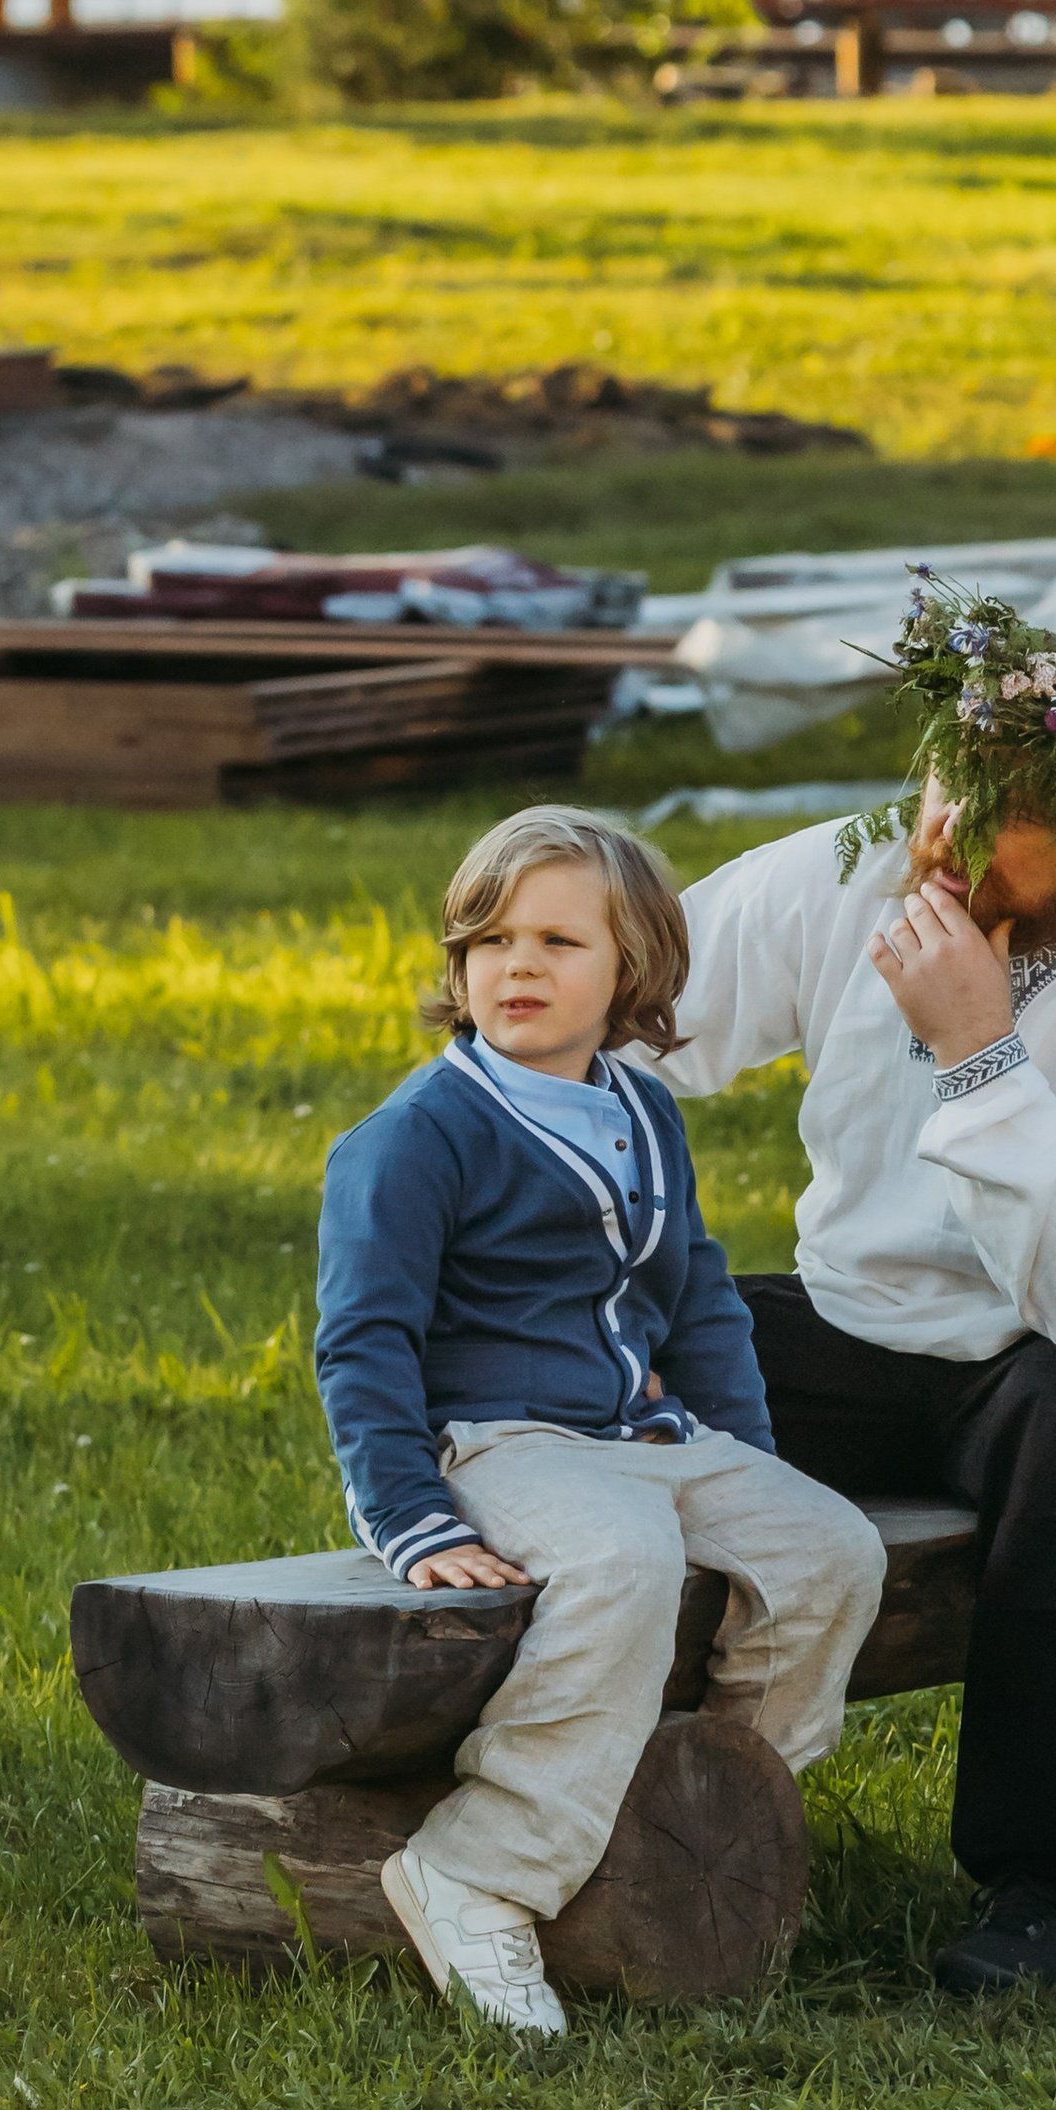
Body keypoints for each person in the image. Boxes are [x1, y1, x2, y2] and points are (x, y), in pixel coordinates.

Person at [638, 580, 1056, 1996]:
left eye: (996, 813)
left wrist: (979, 1050)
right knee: (621, 1349)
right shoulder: (862, 871)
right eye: (945, 786)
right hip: (874, 1330)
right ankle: (544, 1762)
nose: (940, 837)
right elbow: (632, 1019)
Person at [314, 804, 886, 2037]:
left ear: (635, 970)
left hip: (643, 1438)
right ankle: (483, 1868)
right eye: (491, 939)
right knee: (624, 1565)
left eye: (560, 943)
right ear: (458, 964)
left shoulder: (638, 1109)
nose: (517, 966)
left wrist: (748, 1455)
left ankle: (708, 1812)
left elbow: (694, 1298)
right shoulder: (416, 1140)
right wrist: (410, 1517)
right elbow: (363, 1342)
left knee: (832, 1551)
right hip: (498, 1442)